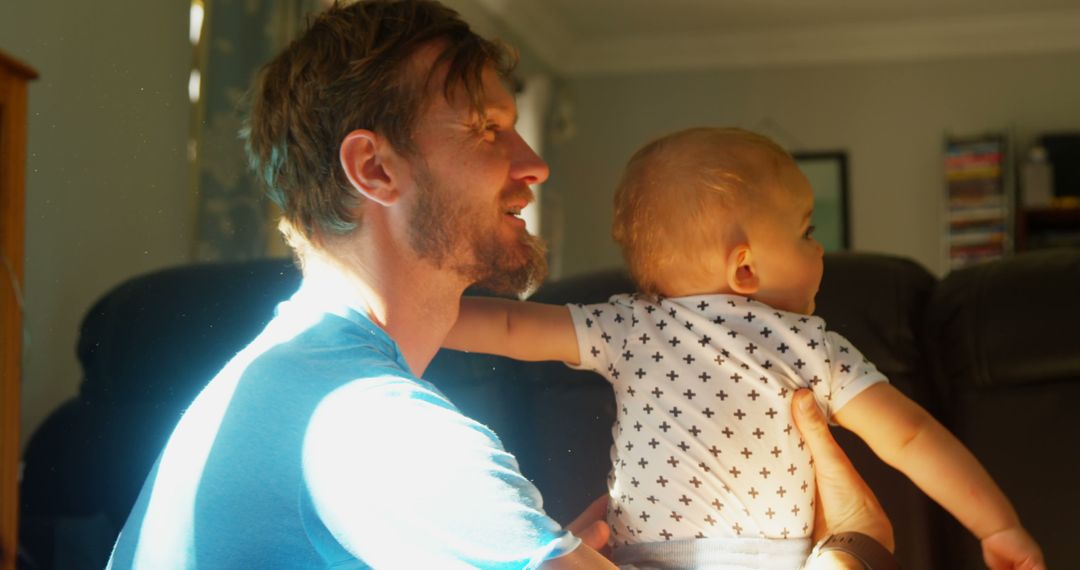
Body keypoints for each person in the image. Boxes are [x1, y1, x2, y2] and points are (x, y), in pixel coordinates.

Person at [106, 2, 893, 568]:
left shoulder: (288, 382)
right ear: (375, 169)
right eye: (485, 131)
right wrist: (857, 549)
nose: (534, 164)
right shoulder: (375, 430)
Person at [445, 127, 1045, 569]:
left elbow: (506, 329)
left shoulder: (625, 327)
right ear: (746, 269)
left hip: (641, 558)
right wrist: (997, 525)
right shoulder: (811, 345)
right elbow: (911, 437)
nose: (820, 251)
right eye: (807, 231)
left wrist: (410, 313)